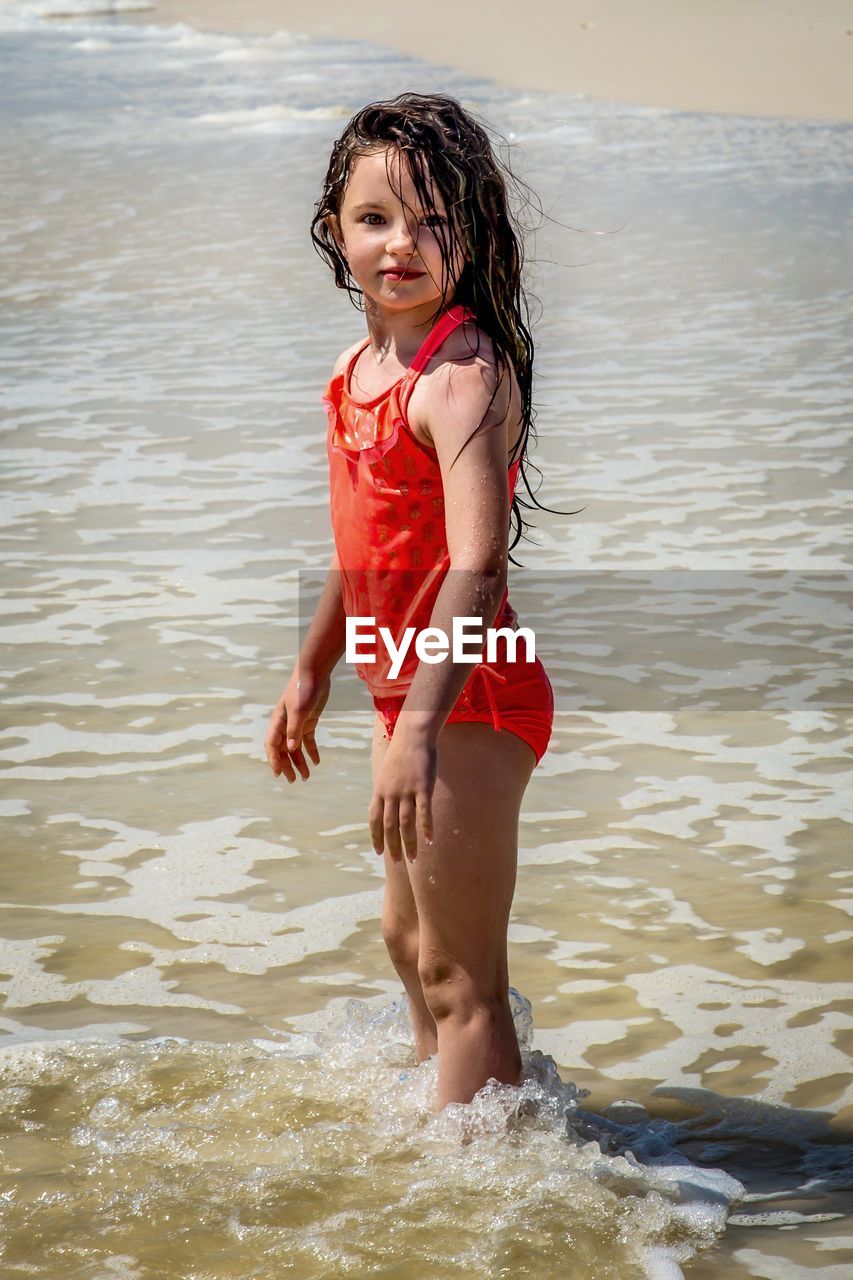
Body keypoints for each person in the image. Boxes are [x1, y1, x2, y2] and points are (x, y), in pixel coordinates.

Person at [265, 92, 560, 1115]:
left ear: (472, 231)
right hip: (411, 696)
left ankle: (474, 1185)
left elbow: (474, 567)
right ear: (333, 228)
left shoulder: (459, 374)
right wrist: (311, 668)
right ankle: (480, 1116)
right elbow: (362, 546)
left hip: (470, 694)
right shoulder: (355, 372)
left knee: (456, 972)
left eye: (433, 219)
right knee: (408, 939)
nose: (402, 243)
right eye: (375, 218)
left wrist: (420, 726)